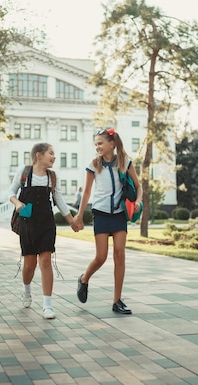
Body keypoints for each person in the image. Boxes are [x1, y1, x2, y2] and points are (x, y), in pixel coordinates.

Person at [74, 128, 142, 315]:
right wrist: (80, 216)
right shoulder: (94, 164)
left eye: (100, 143)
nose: (97, 147)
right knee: (101, 257)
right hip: (101, 213)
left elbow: (138, 186)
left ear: (112, 144)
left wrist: (137, 201)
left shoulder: (125, 162)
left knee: (120, 255)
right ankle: (84, 279)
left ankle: (117, 300)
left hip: (119, 214)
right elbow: (87, 192)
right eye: (95, 144)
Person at [8, 143, 79, 320]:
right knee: (29, 265)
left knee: (46, 260)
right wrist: (17, 203)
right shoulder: (24, 172)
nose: (54, 157)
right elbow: (10, 191)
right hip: (27, 221)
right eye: (51, 153)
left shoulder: (52, 177)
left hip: (47, 222)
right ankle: (26, 291)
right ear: (38, 155)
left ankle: (47, 305)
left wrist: (71, 221)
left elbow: (59, 199)